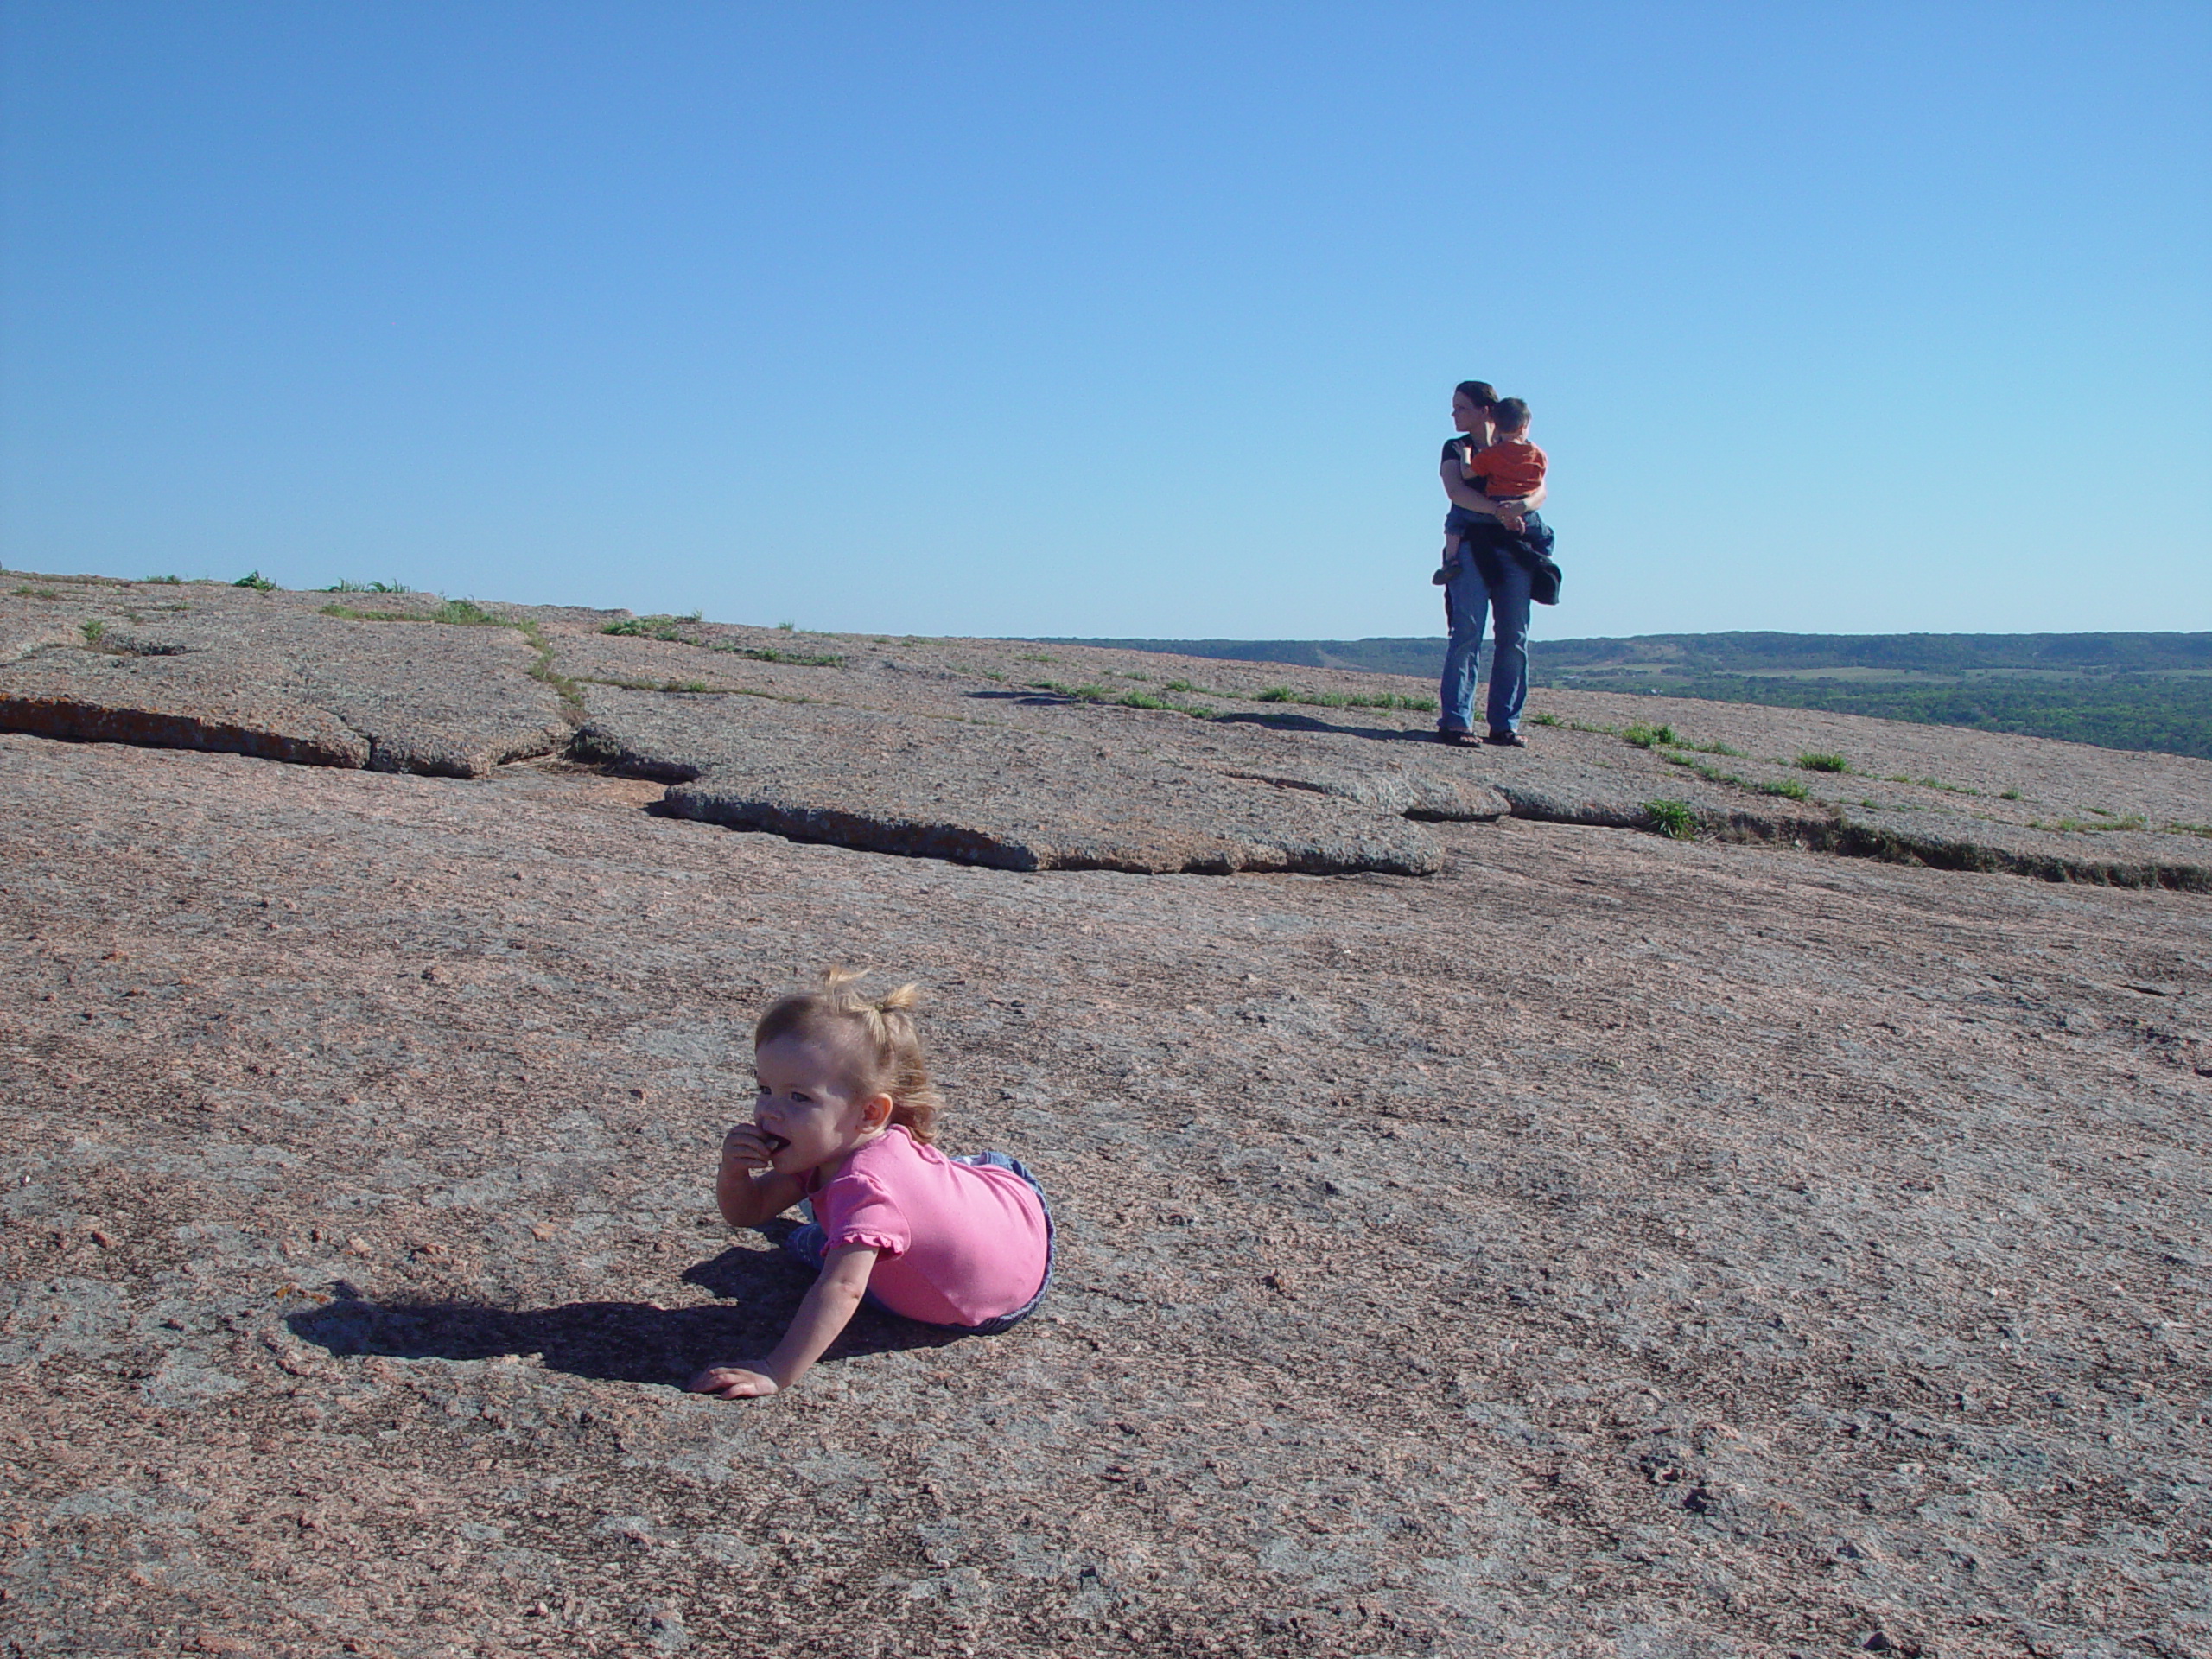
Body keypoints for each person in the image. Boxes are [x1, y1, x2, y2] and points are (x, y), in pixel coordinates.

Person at [688, 969, 1053, 1400]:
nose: (770, 1110)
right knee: (924, 1186)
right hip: (1012, 1234)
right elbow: (749, 1212)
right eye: (764, 1088)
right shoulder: (828, 1150)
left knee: (816, 1248)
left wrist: (776, 1370)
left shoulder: (865, 1189)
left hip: (986, 1296)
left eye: (798, 1097)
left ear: (870, 1114)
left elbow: (843, 1287)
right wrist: (734, 1173)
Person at [1434, 381, 1548, 748]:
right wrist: (1500, 512)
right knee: (1467, 631)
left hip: (1513, 545)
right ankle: (1456, 722)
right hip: (1472, 544)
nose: (1454, 414)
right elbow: (1457, 491)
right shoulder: (1456, 448)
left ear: (1486, 410)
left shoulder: (1519, 447)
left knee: (1513, 635)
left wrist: (1520, 508)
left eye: (1461, 407)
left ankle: (1505, 724)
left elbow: (1541, 489)